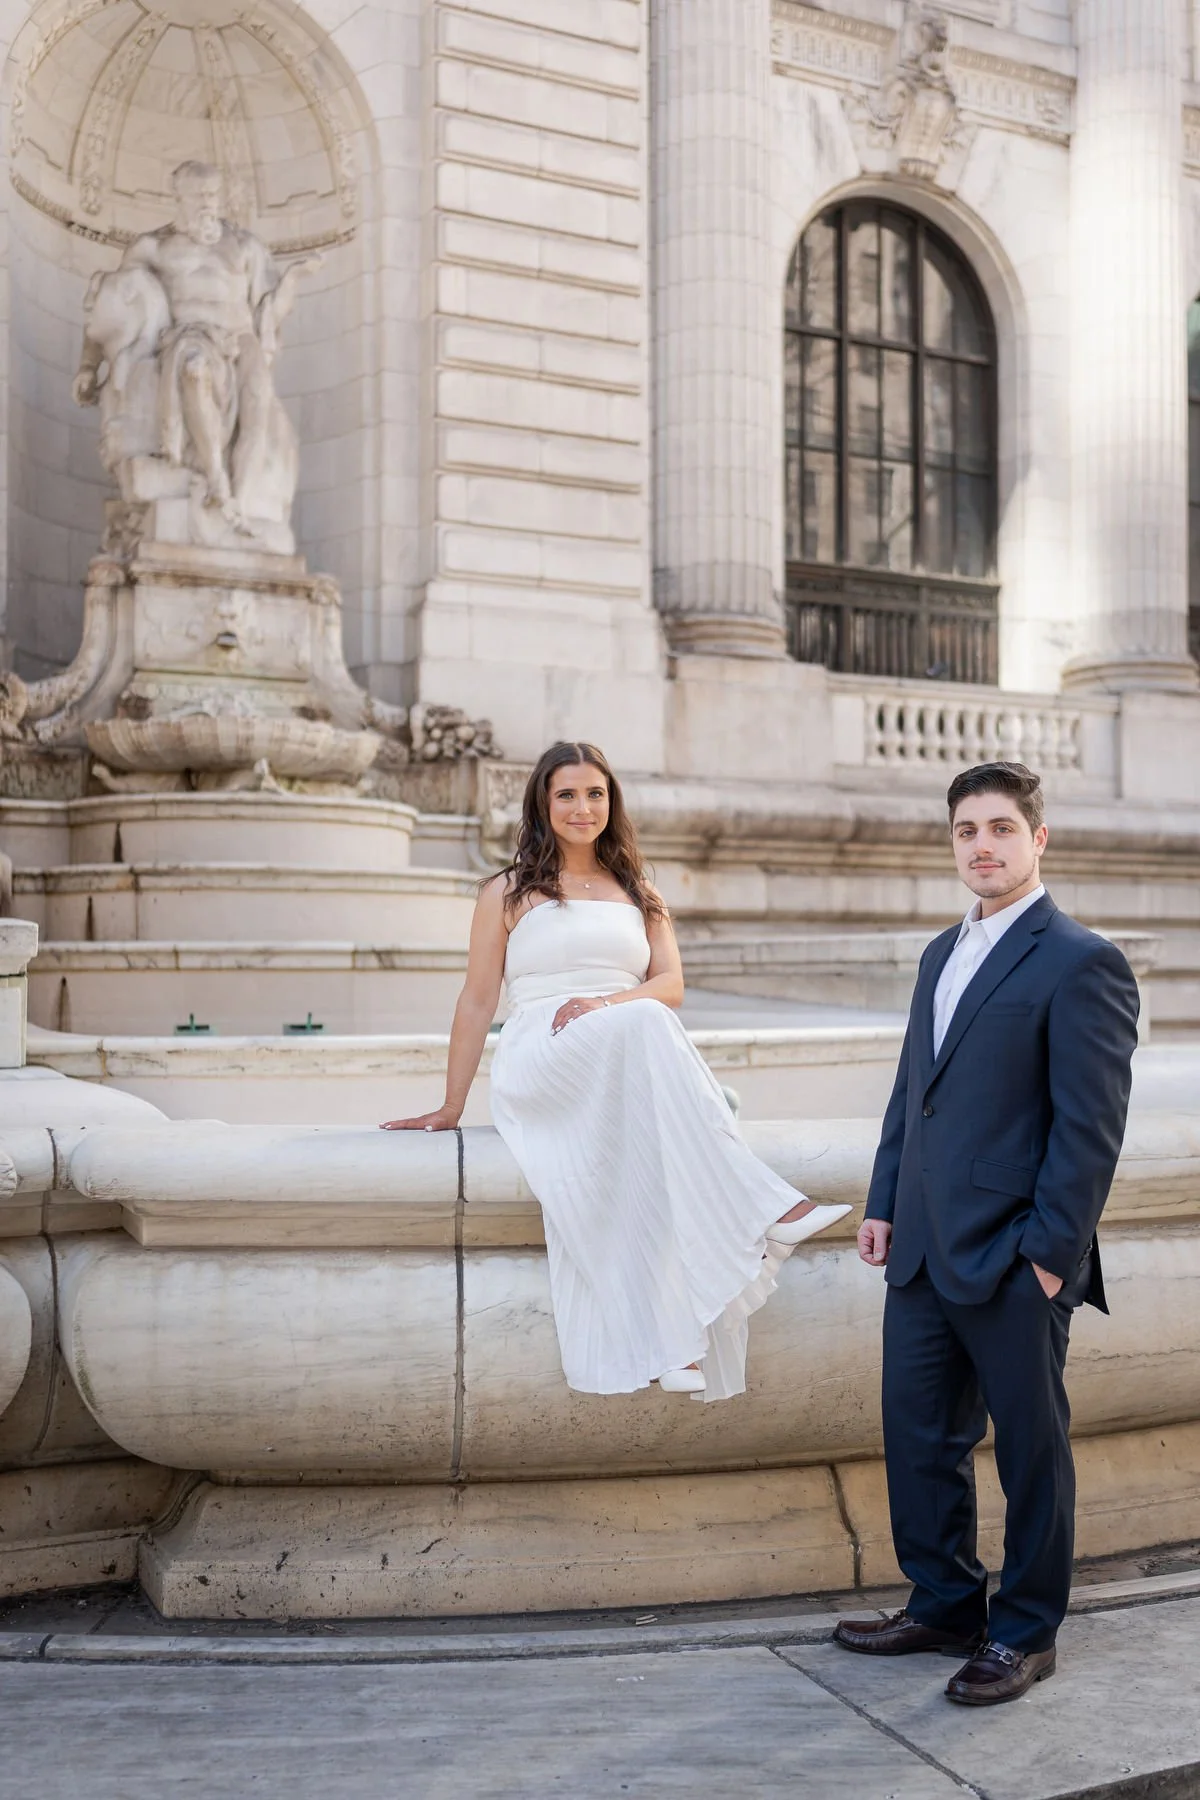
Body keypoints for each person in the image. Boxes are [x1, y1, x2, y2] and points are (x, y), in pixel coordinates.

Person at [382, 740, 850, 1400]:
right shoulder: (508, 892)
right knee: (647, 1027)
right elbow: (478, 998)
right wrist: (451, 1104)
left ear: (612, 802)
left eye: (595, 793)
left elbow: (671, 985)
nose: (583, 806)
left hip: (622, 1036)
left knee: (648, 1082)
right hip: (544, 1049)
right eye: (567, 794)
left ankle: (672, 1339)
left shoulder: (641, 892)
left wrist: (604, 1003)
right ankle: (769, 1208)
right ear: (543, 804)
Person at [834, 761, 1139, 1704]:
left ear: (1037, 839)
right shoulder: (939, 953)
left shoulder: (1080, 959)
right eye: (967, 830)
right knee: (917, 1434)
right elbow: (910, 1094)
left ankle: (1025, 1631)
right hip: (923, 1246)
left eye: (1002, 828)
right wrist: (884, 1201)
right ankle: (945, 1603)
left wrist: (1049, 1258)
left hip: (1015, 1256)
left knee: (1031, 1449)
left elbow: (1089, 1128)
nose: (984, 846)